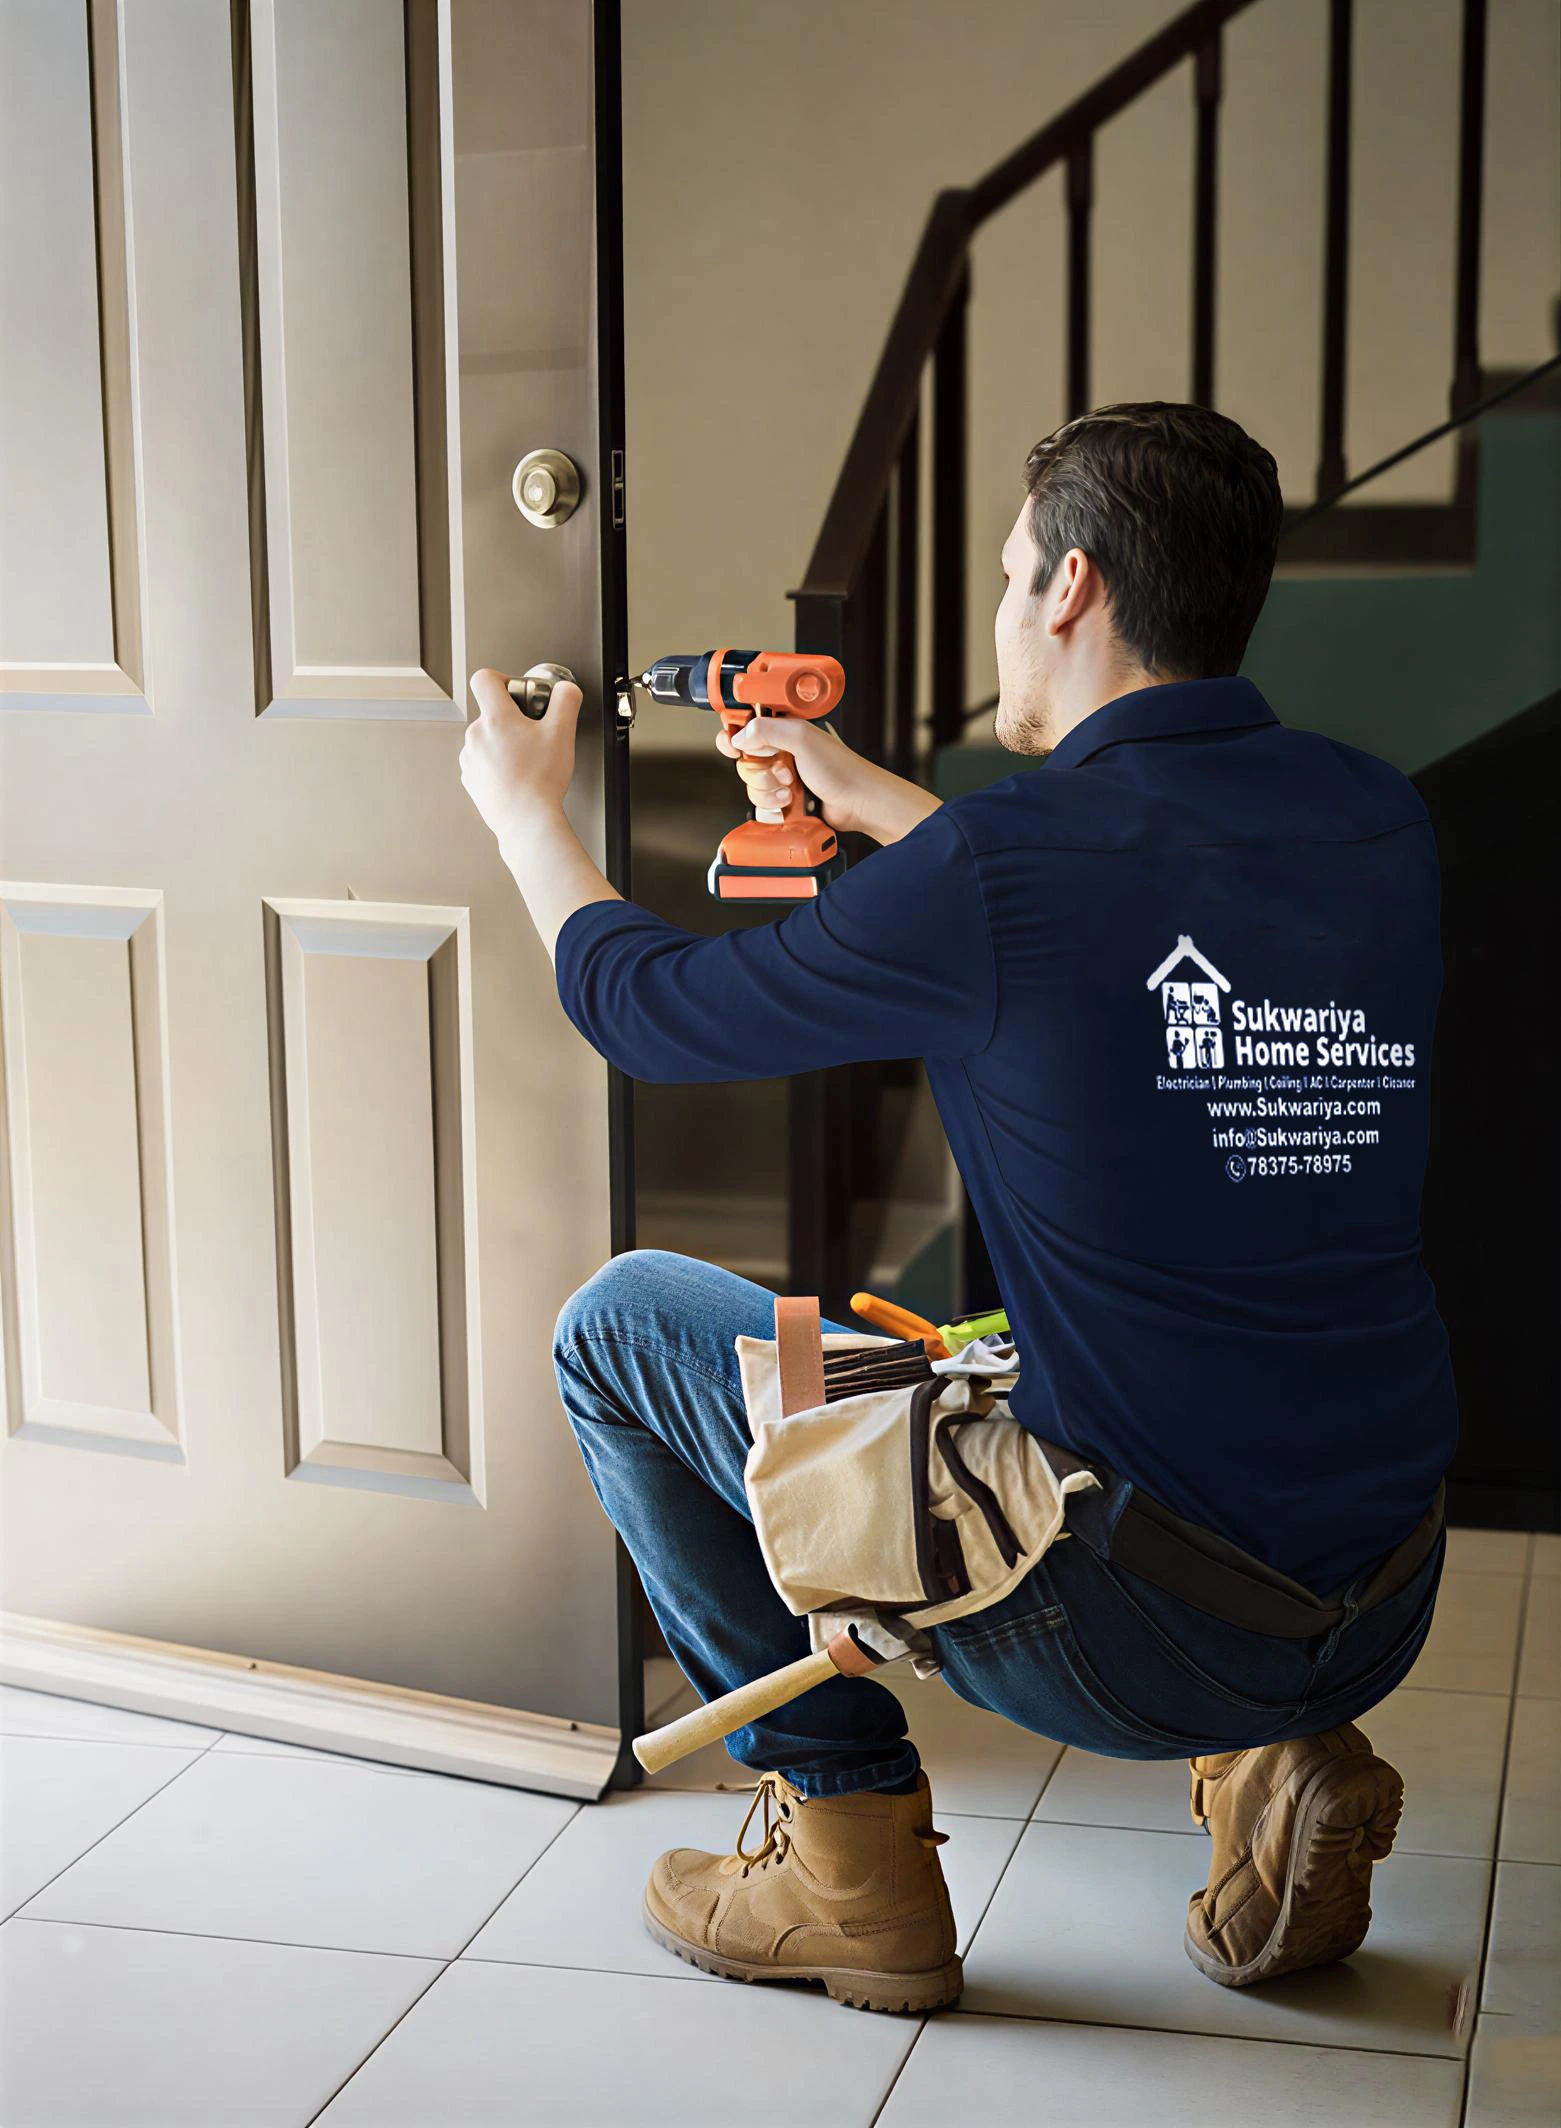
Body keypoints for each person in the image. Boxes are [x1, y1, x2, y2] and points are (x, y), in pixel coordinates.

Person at [458, 401, 1454, 2014]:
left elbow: (647, 1014)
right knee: (1048, 1352)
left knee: (621, 1326)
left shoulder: (1002, 867)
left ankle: (844, 1855)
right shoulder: (1376, 818)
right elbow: (1126, 931)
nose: (1002, 609)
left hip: (1133, 1622)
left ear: (1072, 586)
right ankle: (1277, 1752)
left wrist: (525, 814)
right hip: (1385, 1588)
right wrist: (874, 801)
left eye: (1005, 576)